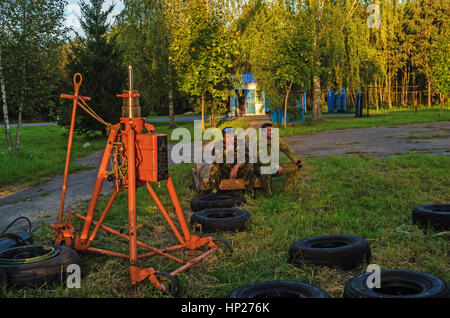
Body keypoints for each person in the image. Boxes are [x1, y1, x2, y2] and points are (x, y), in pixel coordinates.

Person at [257, 122, 302, 196]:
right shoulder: (259, 143)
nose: (272, 132)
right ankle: (268, 195)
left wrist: (295, 160)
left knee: (295, 167)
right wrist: (275, 166)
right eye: (269, 130)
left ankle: (287, 191)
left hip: (275, 167)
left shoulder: (277, 140)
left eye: (273, 130)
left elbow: (286, 149)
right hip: (260, 168)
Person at [209, 127, 255, 193]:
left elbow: (247, 157)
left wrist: (236, 167)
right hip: (224, 171)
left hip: (238, 171)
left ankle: (249, 194)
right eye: (228, 137)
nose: (231, 139)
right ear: (223, 139)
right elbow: (216, 162)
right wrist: (224, 153)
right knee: (214, 169)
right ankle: (214, 194)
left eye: (232, 136)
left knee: (249, 166)